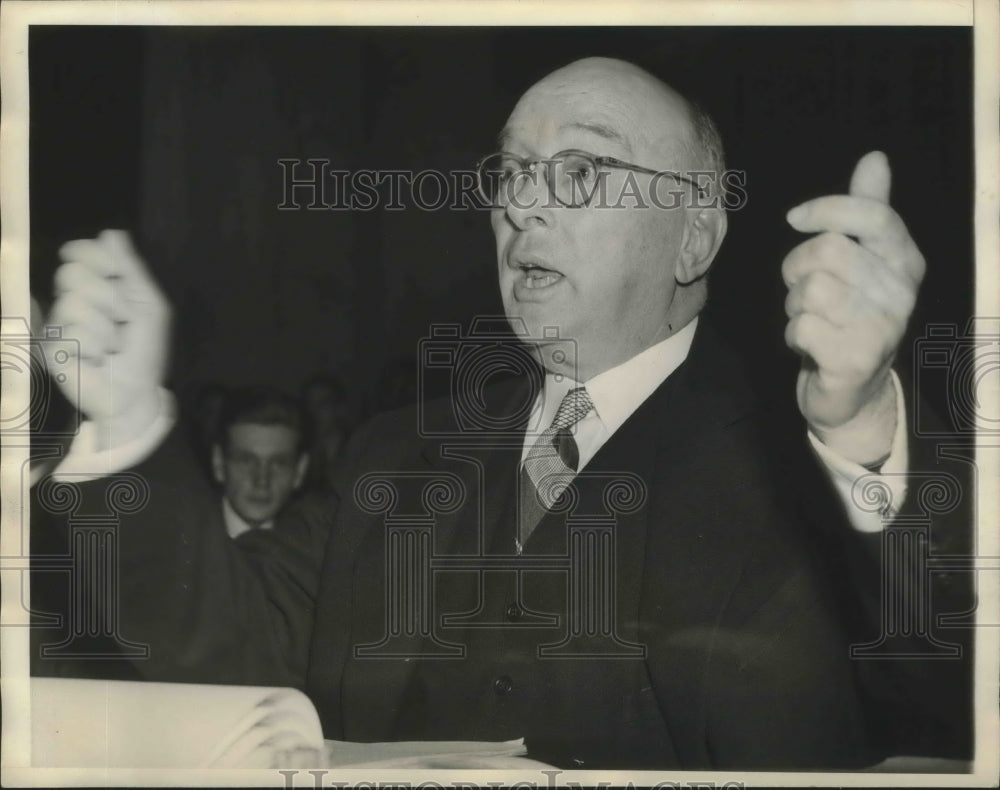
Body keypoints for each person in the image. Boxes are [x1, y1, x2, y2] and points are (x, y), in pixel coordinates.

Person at [35, 57, 970, 769]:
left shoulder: (795, 467)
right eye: (512, 171)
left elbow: (941, 689)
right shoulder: (394, 455)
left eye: (580, 169)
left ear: (694, 235)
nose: (523, 204)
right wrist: (128, 424)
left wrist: (862, 426)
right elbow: (229, 659)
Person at [211, 387, 310, 539]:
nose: (262, 481)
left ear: (299, 471)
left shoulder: (314, 544)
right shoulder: (182, 539)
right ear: (219, 463)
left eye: (278, 464)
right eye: (246, 461)